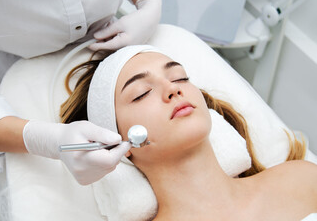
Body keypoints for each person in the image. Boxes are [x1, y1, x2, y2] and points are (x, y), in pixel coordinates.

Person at [0, 0, 162, 220]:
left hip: (115, 45)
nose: (174, 92)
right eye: (140, 95)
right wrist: (43, 140)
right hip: (6, 116)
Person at [60, 45, 317, 220]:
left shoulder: (301, 180)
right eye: (141, 93)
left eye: (179, 77)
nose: (173, 89)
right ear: (116, 143)